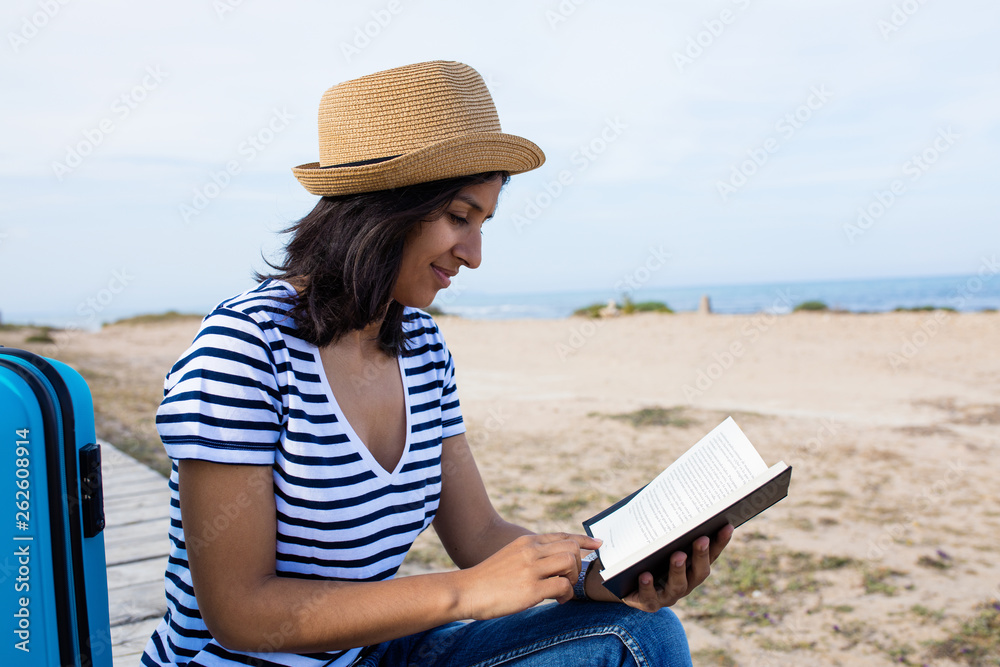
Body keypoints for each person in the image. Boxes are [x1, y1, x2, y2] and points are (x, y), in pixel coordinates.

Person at [141, 60, 733, 667]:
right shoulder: (245, 349)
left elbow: (478, 536)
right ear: (383, 206)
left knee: (643, 632)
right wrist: (465, 594)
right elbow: (239, 613)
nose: (473, 255)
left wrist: (599, 575)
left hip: (374, 654)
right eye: (458, 217)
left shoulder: (422, 348)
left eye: (482, 224)